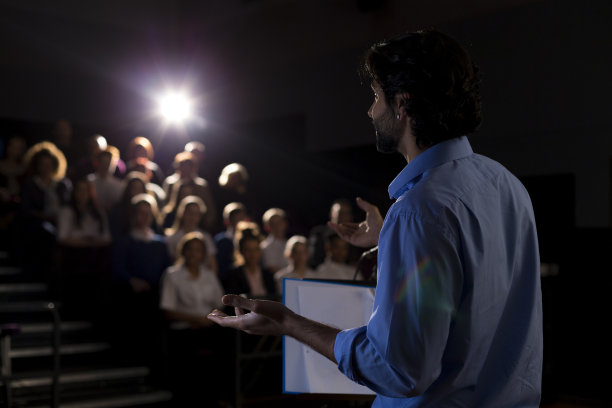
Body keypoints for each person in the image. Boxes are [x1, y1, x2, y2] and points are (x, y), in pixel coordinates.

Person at [209, 30, 542, 407]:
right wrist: (391, 240)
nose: (370, 111)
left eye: (375, 96)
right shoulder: (506, 183)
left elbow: (398, 370)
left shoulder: (419, 210)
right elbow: (475, 284)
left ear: (402, 104)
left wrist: (288, 323)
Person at [164, 196, 218, 273]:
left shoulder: (206, 237)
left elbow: (212, 263)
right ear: (182, 213)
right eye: (190, 213)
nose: (192, 217)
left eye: (196, 214)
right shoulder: (171, 238)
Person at [260, 207, 289, 273]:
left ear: (285, 223)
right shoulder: (265, 247)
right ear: (267, 227)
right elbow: (273, 270)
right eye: (272, 223)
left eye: (279, 222)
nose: (277, 226)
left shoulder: (289, 243)